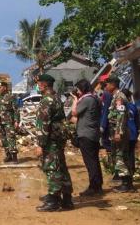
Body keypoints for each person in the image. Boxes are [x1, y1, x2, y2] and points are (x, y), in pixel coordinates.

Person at [35, 74, 73, 212]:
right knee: (61, 167)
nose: (38, 86)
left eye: (39, 84)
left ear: (44, 85)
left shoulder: (47, 100)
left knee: (52, 168)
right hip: (58, 138)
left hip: (50, 140)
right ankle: (67, 198)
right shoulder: (57, 98)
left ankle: (54, 200)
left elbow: (44, 124)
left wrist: (40, 144)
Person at [70, 79, 103, 196]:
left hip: (86, 135)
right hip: (93, 134)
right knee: (94, 161)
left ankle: (93, 187)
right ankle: (98, 186)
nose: (77, 92)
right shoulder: (95, 99)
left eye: (78, 90)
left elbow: (74, 112)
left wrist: (75, 100)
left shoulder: (87, 99)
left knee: (90, 162)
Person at [105, 76, 135, 192]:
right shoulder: (116, 96)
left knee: (120, 156)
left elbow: (121, 116)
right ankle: (127, 183)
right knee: (122, 155)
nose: (106, 86)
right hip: (118, 130)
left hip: (119, 131)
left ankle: (126, 183)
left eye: (107, 84)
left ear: (113, 85)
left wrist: (118, 132)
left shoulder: (119, 97)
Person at [0, 81, 19, 163]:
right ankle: (8, 155)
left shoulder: (11, 96)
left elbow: (16, 110)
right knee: (4, 139)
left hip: (9, 121)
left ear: (5, 87)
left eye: (0, 87)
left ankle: (14, 156)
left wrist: (17, 121)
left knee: (11, 138)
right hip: (0, 122)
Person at [121, 89, 139, 182]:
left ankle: (127, 178)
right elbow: (137, 122)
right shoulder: (133, 106)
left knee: (125, 155)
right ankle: (132, 172)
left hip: (125, 134)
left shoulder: (121, 107)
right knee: (131, 154)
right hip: (133, 133)